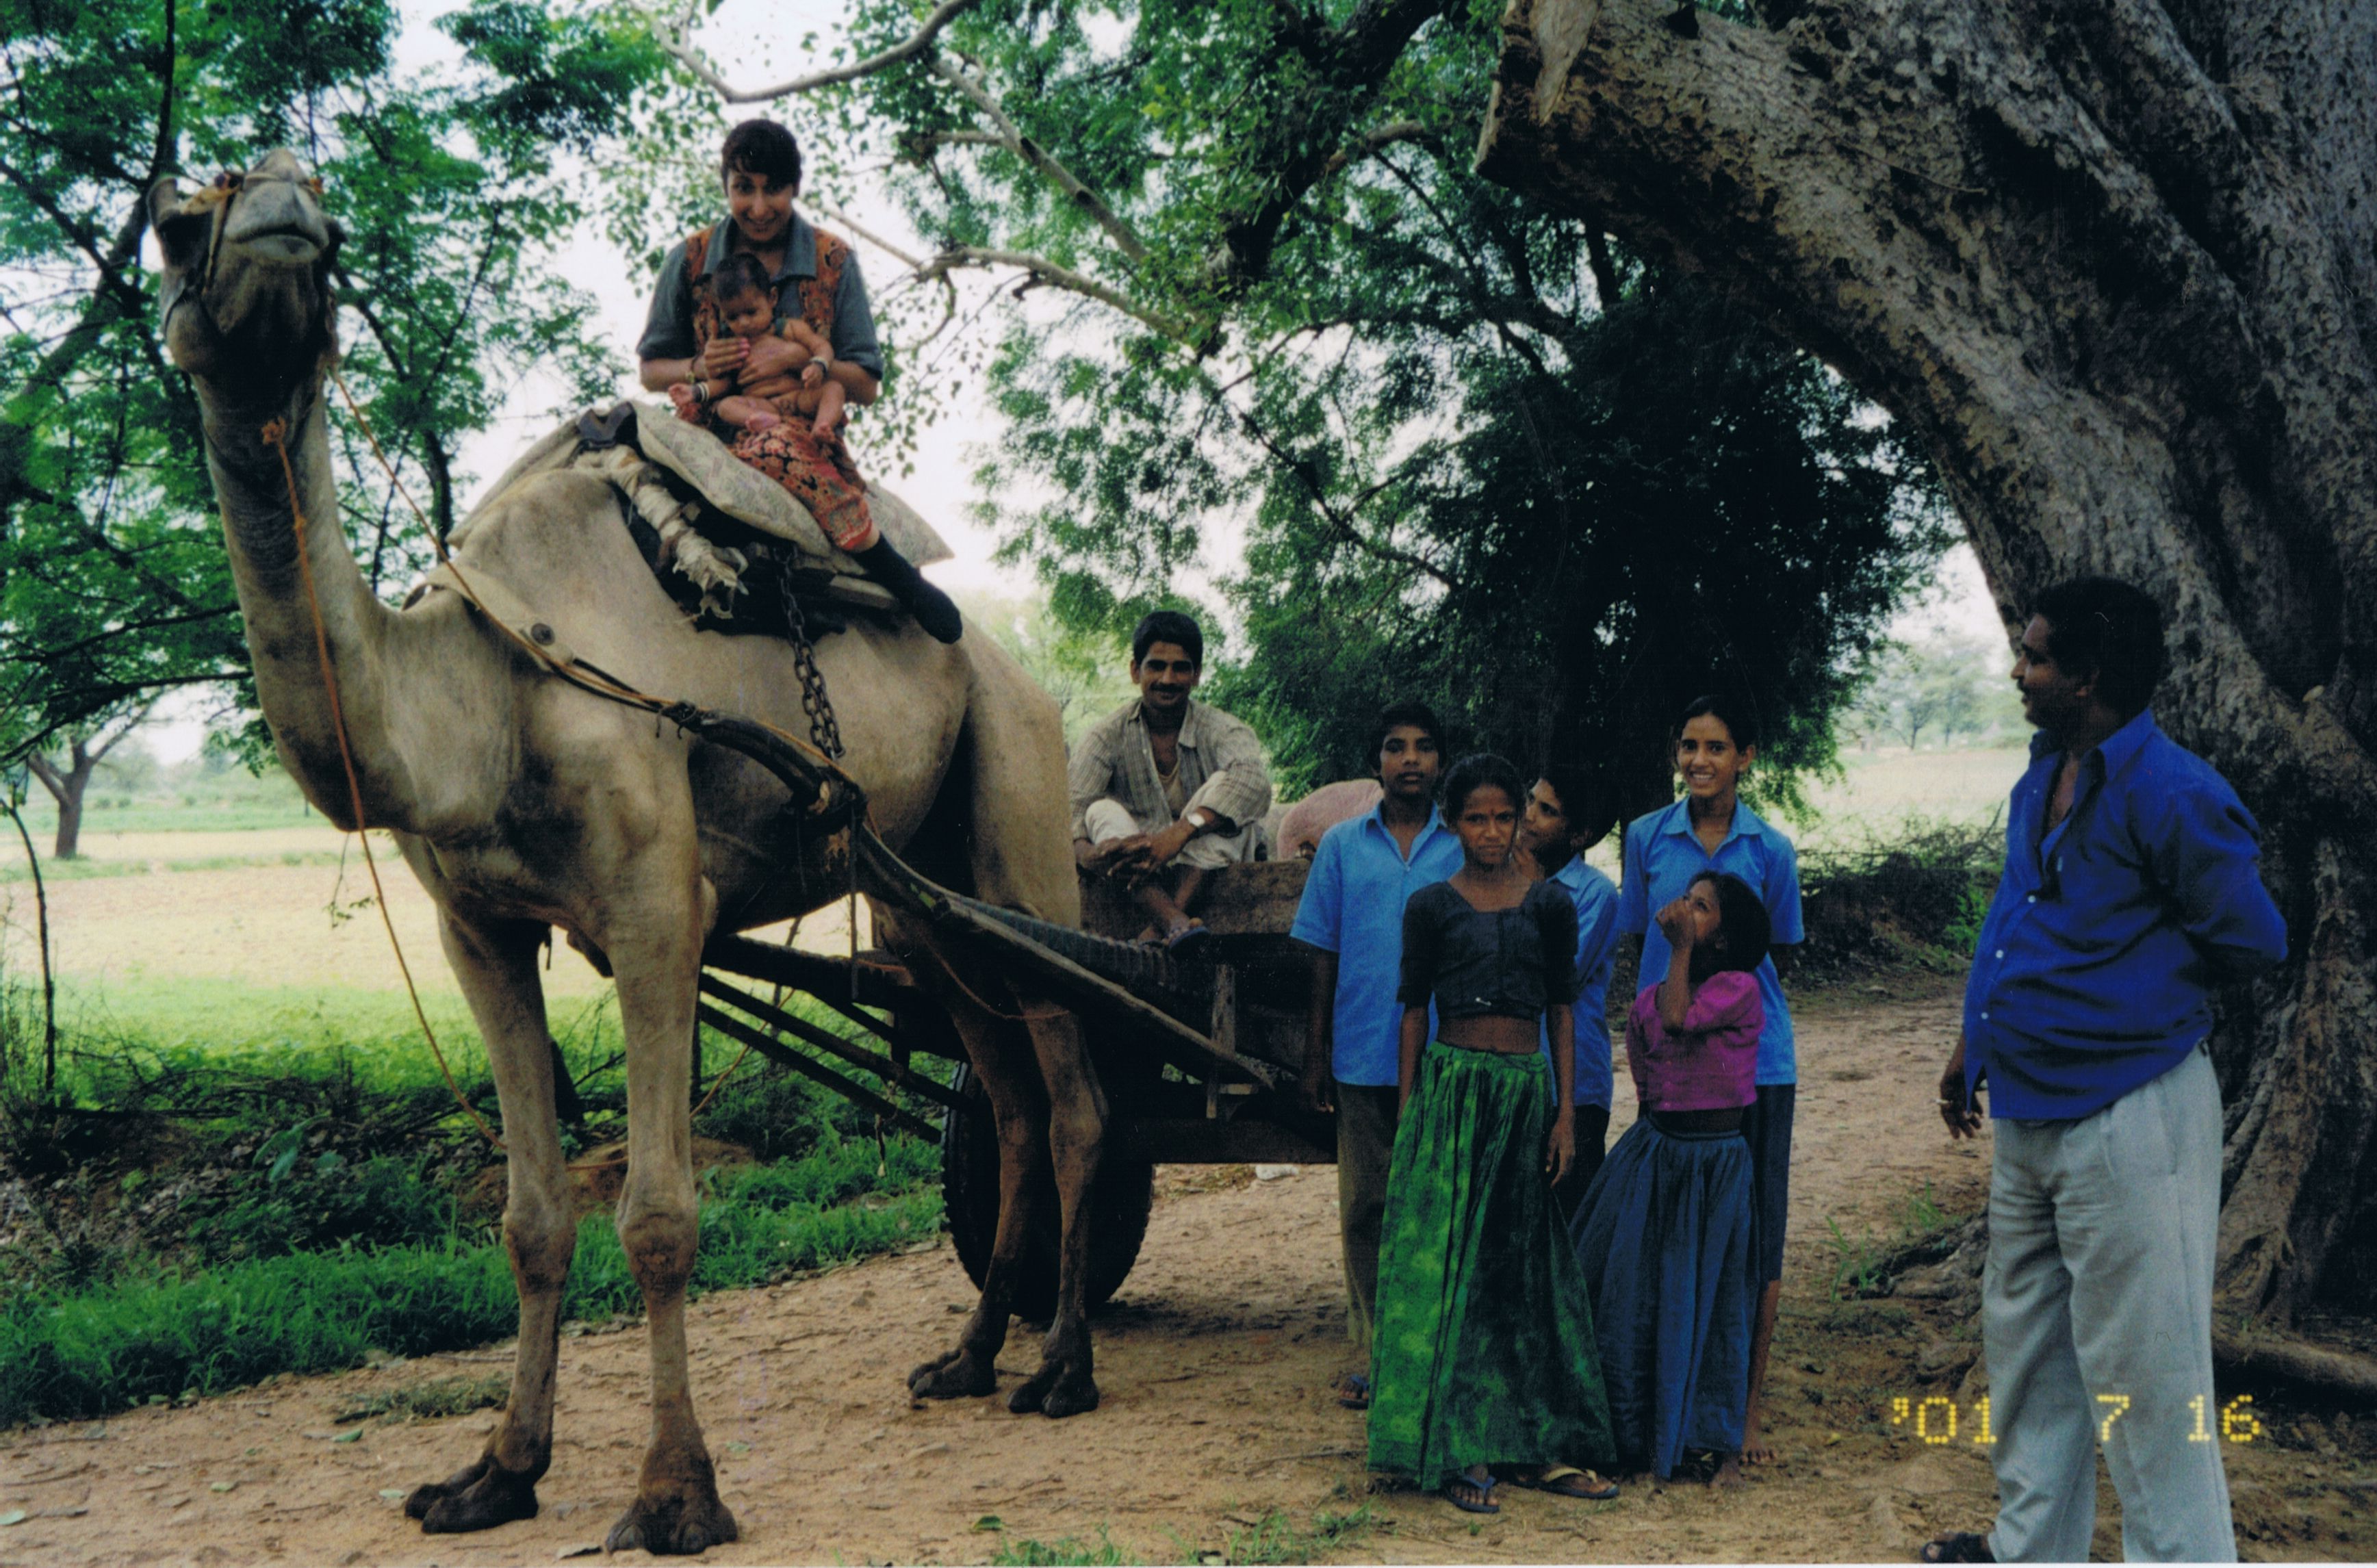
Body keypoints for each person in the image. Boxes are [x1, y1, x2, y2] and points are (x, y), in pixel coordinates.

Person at [1920, 578, 2285, 1567]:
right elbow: (2010, 919)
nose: (2019, 670)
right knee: (2030, 1352)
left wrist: (2138, 983)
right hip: (2030, 1112)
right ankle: (2030, 1548)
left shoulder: (2172, 790)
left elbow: (2254, 937)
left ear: (2086, 676)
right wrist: (1971, 1040)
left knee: (2151, 1376)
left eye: (2036, 656)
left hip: (2133, 1116)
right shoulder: (2042, 778)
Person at [1367, 752, 1619, 1515]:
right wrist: (1413, 1113)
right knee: (1456, 1275)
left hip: (1521, 1096)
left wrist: (1565, 1113)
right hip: (1450, 1094)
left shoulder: (1550, 905)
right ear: (1451, 824)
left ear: (1520, 824)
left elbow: (1562, 1010)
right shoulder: (1431, 907)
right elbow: (1413, 1010)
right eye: (1473, 817)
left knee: (1526, 1272)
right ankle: (1456, 1447)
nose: (1488, 830)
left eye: (1503, 816)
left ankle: (1539, 1446)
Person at [637, 118, 960, 644]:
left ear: (795, 187)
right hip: (713, 423)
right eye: (744, 188)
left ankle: (887, 565)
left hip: (803, 427)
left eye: (774, 189)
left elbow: (867, 384)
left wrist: (799, 356)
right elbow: (652, 370)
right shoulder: (690, 259)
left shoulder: (834, 260)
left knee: (780, 445)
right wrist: (701, 367)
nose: (759, 207)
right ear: (726, 187)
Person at [1615, 693, 1803, 1463]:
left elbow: (1773, 955)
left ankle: (1745, 1409)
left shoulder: (1771, 847)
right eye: (1688, 745)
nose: (1698, 760)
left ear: (1745, 757)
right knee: (1672, 1229)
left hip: (1755, 1069)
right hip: (1673, 1072)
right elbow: (1637, 944)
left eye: (1716, 747)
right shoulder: (1645, 838)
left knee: (1754, 1232)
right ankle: (1671, 1397)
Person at [1571, 870, 1771, 1487]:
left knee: (1712, 1296)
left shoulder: (1739, 988)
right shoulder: (1649, 999)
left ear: (1723, 938)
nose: (1685, 909)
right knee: (1640, 1292)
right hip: (1662, 1155)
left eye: (1701, 907)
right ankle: (1632, 1433)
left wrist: (1678, 947)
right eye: (1687, 898)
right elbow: (1649, 1066)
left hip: (1715, 1165)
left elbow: (1682, 1018)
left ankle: (1720, 1443)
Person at [1288, 701, 1460, 1409]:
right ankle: (1372, 1349)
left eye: (1423, 747)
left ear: (1440, 762)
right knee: (1364, 1205)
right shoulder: (1339, 846)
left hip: (1448, 1054)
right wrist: (1313, 1049)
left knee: (1435, 1203)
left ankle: (1432, 1345)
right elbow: (1322, 950)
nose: (1410, 759)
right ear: (1375, 763)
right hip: (1360, 1052)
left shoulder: (1462, 845)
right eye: (1395, 747)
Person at [1068, 611, 1271, 950]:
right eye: (1156, 666)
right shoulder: (1106, 736)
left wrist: (1179, 834)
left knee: (1230, 794)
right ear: (1136, 671)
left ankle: (1156, 930)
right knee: (1100, 810)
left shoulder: (1221, 729)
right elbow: (1073, 811)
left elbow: (1254, 783)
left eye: (1180, 668)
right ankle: (1175, 922)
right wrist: (1091, 855)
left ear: (1196, 676)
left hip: (1208, 863)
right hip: (1140, 868)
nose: (1168, 678)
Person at [1517, 762, 1622, 1218]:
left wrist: (1533, 891)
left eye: (1547, 811)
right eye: (1529, 801)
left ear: (1577, 835)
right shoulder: (1498, 879)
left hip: (1575, 1085)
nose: (1528, 817)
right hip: (1518, 1078)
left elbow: (1553, 979)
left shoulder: (1595, 894)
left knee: (1569, 1220)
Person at [666, 252, 847, 437]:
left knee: (834, 389)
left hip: (799, 398)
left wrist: (819, 365)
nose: (743, 323)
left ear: (772, 299)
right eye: (733, 317)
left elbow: (822, 347)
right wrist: (695, 392)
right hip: (763, 406)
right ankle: (763, 421)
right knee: (726, 407)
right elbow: (722, 383)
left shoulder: (789, 329)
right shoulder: (733, 347)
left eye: (751, 312)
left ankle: (822, 427)